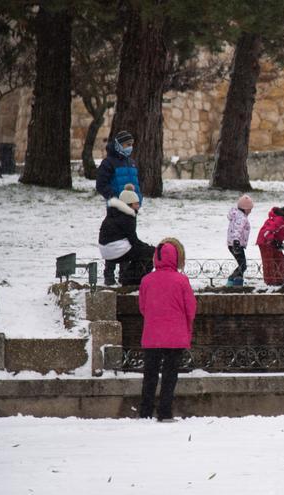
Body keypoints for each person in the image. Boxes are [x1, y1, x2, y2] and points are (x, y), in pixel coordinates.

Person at [138, 238, 196, 421]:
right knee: (170, 376)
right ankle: (165, 412)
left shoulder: (147, 280)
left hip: (153, 335)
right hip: (174, 336)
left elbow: (142, 307)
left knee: (150, 375)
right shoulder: (181, 281)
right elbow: (191, 308)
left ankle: (145, 411)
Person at [96, 130, 143, 282]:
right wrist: (116, 199)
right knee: (114, 238)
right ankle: (109, 273)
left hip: (131, 208)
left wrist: (138, 200)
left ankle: (124, 274)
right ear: (118, 145)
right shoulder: (108, 163)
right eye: (126, 144)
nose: (130, 147)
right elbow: (101, 185)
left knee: (128, 239)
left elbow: (137, 184)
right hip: (116, 208)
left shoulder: (131, 163)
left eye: (131, 145)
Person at [98, 184, 154, 286]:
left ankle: (110, 277)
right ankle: (131, 279)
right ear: (129, 204)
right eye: (136, 203)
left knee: (128, 246)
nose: (138, 205)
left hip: (105, 249)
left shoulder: (113, 212)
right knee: (149, 253)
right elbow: (133, 240)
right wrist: (150, 248)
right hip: (116, 249)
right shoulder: (128, 216)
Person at [257, 198, 284, 286]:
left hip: (276, 242)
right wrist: (273, 241)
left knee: (280, 260)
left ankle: (279, 280)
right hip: (265, 242)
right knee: (269, 261)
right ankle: (270, 282)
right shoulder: (279, 220)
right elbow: (267, 232)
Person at [226, 194, 253, 287]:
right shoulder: (241, 218)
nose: (250, 211)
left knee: (242, 264)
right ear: (245, 208)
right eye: (250, 208)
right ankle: (235, 282)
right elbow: (237, 229)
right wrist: (236, 242)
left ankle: (233, 282)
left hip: (233, 244)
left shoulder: (237, 215)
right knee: (243, 265)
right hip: (236, 244)